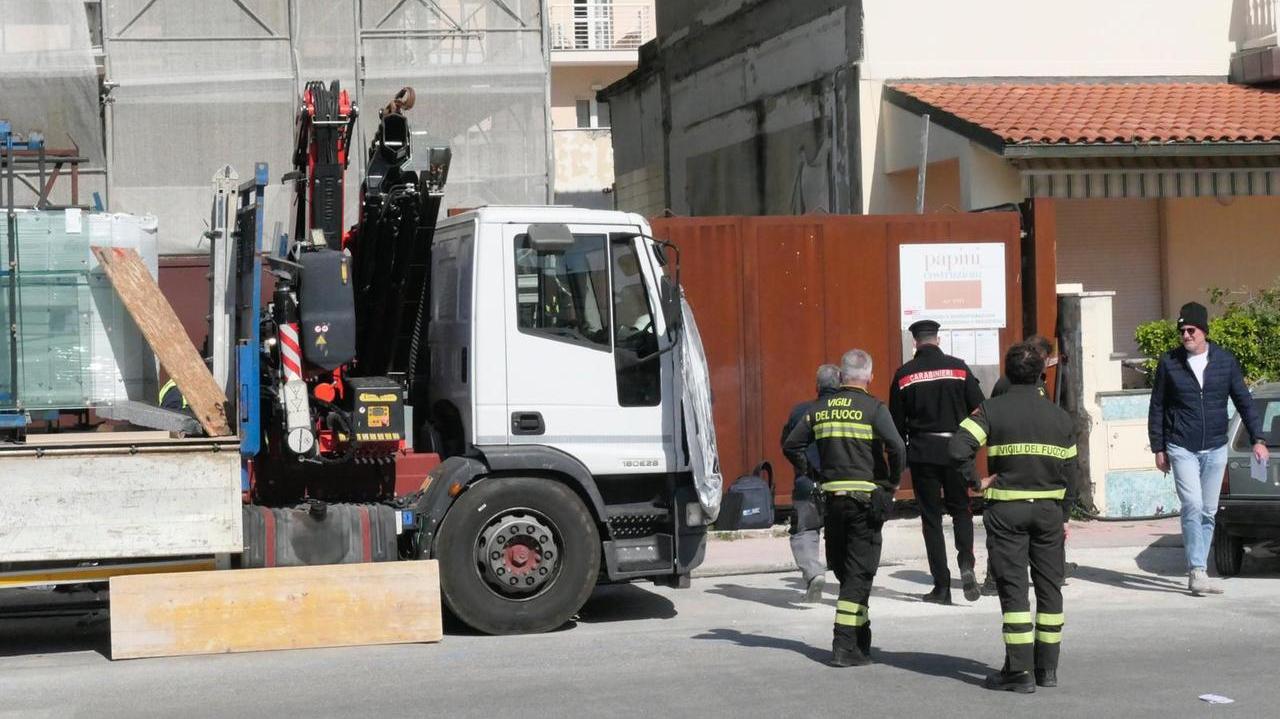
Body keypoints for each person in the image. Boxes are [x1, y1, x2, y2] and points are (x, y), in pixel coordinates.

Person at [949, 342, 1077, 693]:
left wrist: (976, 482)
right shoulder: (1060, 417)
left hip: (1007, 512)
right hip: (1049, 513)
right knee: (1050, 587)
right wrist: (1063, 515)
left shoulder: (991, 410)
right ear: (1040, 374)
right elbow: (1072, 473)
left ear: (1007, 374)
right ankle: (1047, 670)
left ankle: (1019, 672)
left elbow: (958, 448)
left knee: (1014, 587)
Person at [783, 349, 905, 667]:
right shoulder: (874, 408)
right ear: (869, 375)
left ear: (841, 375)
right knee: (858, 574)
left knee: (845, 569)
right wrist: (890, 484)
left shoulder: (820, 409)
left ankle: (861, 638)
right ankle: (844, 645)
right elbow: (897, 447)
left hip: (833, 501)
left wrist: (811, 473)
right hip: (865, 503)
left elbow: (791, 445)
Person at [1148, 301, 1269, 596]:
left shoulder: (1224, 362)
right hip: (1181, 445)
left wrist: (1258, 439)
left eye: (1191, 329)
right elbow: (1158, 407)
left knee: (1209, 510)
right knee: (1192, 505)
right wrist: (1159, 446)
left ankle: (1198, 567)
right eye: (1182, 331)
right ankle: (1197, 570)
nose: (1186, 335)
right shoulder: (1170, 362)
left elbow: (1243, 400)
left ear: (1203, 330)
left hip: (1216, 446)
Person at [889, 319, 985, 604]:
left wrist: (903, 455)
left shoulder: (904, 374)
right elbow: (980, 409)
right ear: (938, 340)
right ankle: (966, 564)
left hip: (922, 451)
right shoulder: (958, 367)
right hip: (956, 449)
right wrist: (970, 443)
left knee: (931, 519)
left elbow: (896, 423)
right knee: (961, 511)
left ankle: (941, 587)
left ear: (915, 342)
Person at [981, 334, 1064, 596]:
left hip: (1009, 473)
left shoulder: (1008, 383)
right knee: (1014, 543)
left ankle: (995, 579)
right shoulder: (1029, 385)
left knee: (1003, 539)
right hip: (1023, 477)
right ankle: (996, 579)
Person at [780, 363, 842, 603]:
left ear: (817, 387)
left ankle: (814, 573)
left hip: (808, 484)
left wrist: (806, 469)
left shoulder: (800, 411)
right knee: (842, 532)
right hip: (841, 484)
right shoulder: (849, 410)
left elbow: (787, 444)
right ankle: (848, 582)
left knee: (804, 531)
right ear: (841, 384)